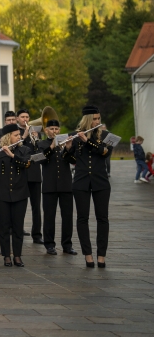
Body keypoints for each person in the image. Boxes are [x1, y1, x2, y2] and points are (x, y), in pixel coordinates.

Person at [64, 105, 113, 268]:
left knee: (102, 218)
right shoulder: (76, 136)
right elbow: (71, 160)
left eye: (98, 119)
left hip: (101, 181)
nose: (97, 122)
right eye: (94, 119)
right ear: (87, 120)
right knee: (82, 218)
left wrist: (88, 141)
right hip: (81, 181)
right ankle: (88, 254)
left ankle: (101, 255)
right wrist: (68, 148)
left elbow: (105, 152)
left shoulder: (106, 135)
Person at [0, 123, 30, 267]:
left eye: (19, 135)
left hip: (19, 193)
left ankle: (17, 255)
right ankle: (6, 256)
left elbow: (27, 164)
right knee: (3, 226)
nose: (19, 137)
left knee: (17, 226)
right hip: (1, 194)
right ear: (8, 137)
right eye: (16, 135)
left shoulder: (24, 149)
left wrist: (12, 155)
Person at [38, 119, 77, 256]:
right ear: (46, 130)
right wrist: (52, 146)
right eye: (51, 129)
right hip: (49, 185)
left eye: (56, 129)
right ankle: (49, 244)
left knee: (67, 216)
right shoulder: (42, 144)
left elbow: (74, 161)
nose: (54, 131)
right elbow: (40, 160)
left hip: (66, 185)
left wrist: (68, 148)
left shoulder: (66, 144)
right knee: (49, 216)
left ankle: (67, 244)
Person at [17, 109, 43, 244]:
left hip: (34, 174)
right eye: (22, 117)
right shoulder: (16, 134)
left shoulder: (36, 133)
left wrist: (36, 141)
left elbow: (41, 155)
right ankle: (18, 230)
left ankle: (37, 234)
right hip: (21, 174)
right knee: (20, 205)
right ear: (17, 119)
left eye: (27, 117)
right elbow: (15, 150)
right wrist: (24, 136)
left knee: (36, 206)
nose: (25, 119)